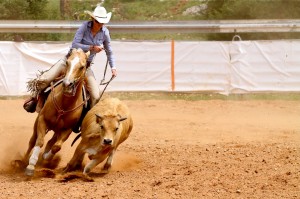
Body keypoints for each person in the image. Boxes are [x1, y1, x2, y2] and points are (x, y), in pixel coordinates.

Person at [23, 5, 116, 112]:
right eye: (98, 22)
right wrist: (92, 48)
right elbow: (75, 44)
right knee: (44, 79)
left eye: (102, 22)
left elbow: (109, 51)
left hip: (84, 66)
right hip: (68, 62)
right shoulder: (84, 27)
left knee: (95, 95)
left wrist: (113, 67)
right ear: (93, 19)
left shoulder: (105, 33)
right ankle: (36, 99)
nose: (100, 25)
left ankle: (89, 119)